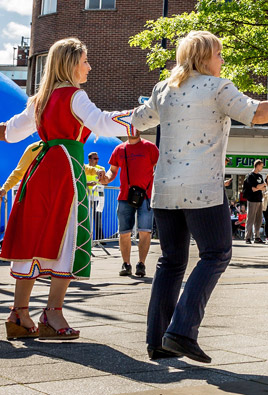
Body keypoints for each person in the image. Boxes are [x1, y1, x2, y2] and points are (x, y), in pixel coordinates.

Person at [130, 31, 268, 363]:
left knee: (171, 262)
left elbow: (137, 121)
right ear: (205, 57)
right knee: (216, 254)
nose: (222, 61)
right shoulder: (218, 87)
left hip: (165, 190)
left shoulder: (164, 88)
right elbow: (256, 113)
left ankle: (157, 341)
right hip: (203, 187)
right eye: (219, 55)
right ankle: (181, 331)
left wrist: (92, 119)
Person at [0, 37, 138, 341]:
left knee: (33, 236)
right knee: (68, 236)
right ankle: (52, 314)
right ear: (71, 64)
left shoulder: (39, 100)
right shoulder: (76, 96)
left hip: (39, 171)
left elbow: (9, 132)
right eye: (85, 61)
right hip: (65, 173)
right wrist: (139, 117)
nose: (89, 67)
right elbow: (101, 123)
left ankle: (19, 314)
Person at [99, 134, 159, 277]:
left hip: (146, 196)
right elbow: (112, 170)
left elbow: (161, 166)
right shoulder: (120, 148)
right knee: (124, 232)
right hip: (125, 197)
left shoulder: (150, 147)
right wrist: (105, 179)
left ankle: (141, 264)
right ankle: (126, 264)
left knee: (145, 231)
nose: (133, 129)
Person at [242, 160, 266, 244]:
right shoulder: (250, 176)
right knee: (250, 219)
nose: (262, 168)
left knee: (258, 220)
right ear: (257, 165)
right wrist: (260, 186)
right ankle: (247, 237)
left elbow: (262, 188)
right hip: (252, 199)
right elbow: (254, 188)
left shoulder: (259, 176)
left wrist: (259, 187)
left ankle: (257, 237)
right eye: (261, 166)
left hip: (259, 199)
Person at [86, 151, 106, 240]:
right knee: (85, 218)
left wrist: (102, 183)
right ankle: (85, 239)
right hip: (86, 197)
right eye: (95, 159)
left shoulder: (101, 169)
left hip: (98, 197)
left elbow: (105, 182)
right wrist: (88, 184)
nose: (97, 160)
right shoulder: (84, 168)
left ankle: (99, 239)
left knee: (97, 218)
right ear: (89, 159)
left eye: (97, 158)